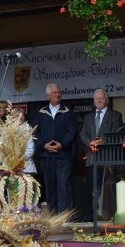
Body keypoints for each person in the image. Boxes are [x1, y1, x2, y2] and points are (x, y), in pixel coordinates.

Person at [79, 88, 123, 220]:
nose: (99, 100)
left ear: (107, 100)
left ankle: (108, 214)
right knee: (93, 188)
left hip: (107, 157)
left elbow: (117, 133)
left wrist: (101, 142)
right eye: (96, 98)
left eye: (102, 98)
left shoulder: (116, 115)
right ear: (93, 101)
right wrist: (90, 143)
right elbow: (83, 133)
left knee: (108, 187)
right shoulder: (88, 117)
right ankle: (93, 215)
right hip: (92, 157)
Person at [34, 84, 77, 212]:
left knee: (63, 185)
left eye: (59, 92)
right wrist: (44, 145)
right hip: (46, 157)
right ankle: (53, 216)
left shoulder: (68, 113)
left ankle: (65, 216)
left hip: (63, 156)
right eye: (54, 93)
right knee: (50, 185)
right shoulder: (41, 113)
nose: (57, 94)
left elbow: (72, 132)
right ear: (48, 95)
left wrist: (61, 145)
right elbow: (35, 132)